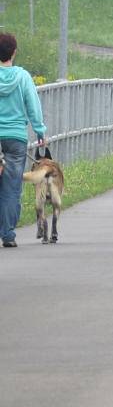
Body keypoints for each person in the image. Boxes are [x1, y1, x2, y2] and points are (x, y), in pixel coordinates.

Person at [0, 33, 46, 248]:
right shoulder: (23, 77)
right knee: (11, 188)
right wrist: (40, 131)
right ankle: (8, 235)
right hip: (16, 139)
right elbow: (33, 107)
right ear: (14, 52)